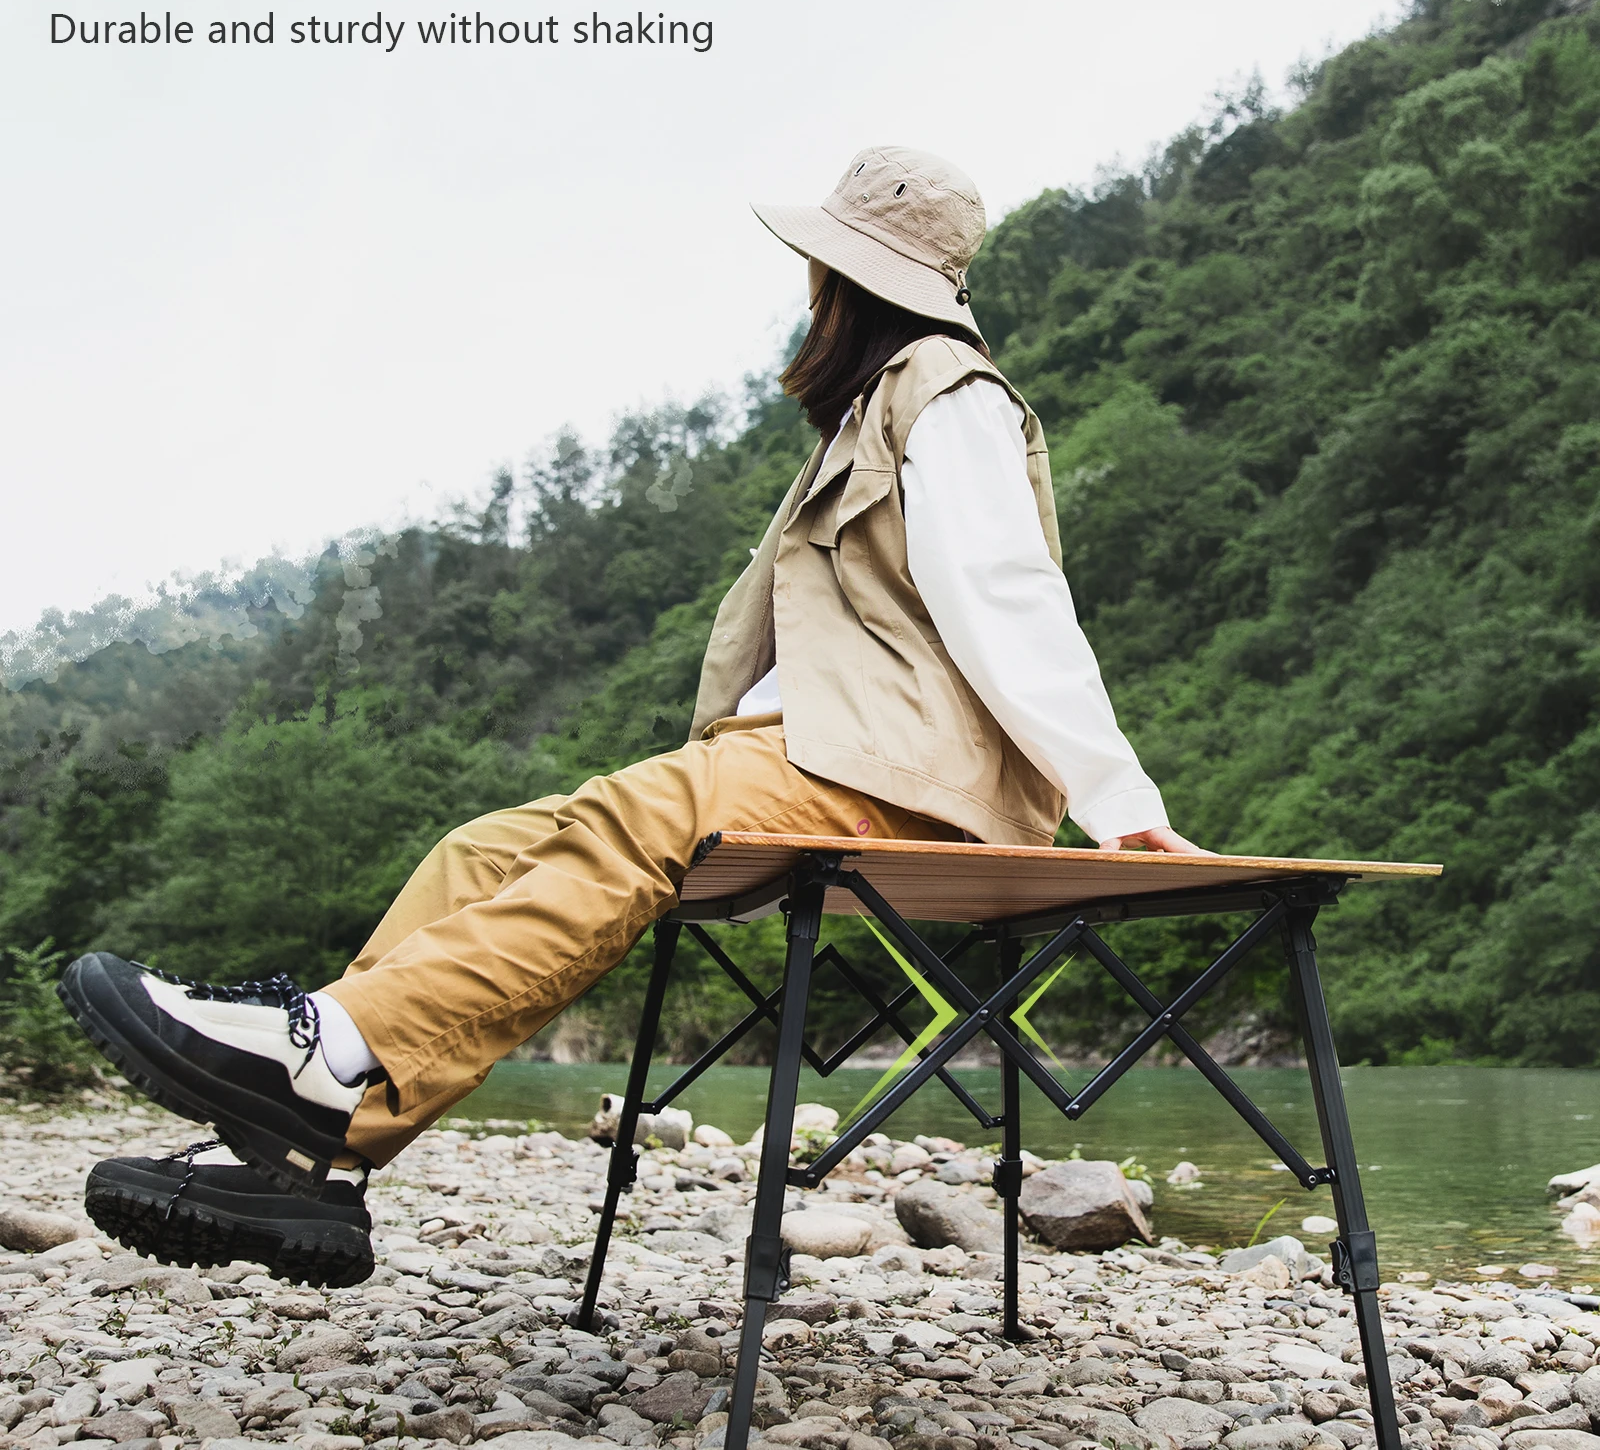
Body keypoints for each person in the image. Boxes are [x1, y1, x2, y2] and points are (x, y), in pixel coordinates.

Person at [61, 145, 1205, 1287]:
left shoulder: (949, 391)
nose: (810, 287)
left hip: (892, 770)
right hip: (806, 756)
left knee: (639, 811)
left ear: (847, 280)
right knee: (480, 851)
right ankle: (310, 1157)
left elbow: (1009, 597)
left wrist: (1118, 799)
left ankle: (323, 1051)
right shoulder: (871, 408)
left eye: (822, 266)